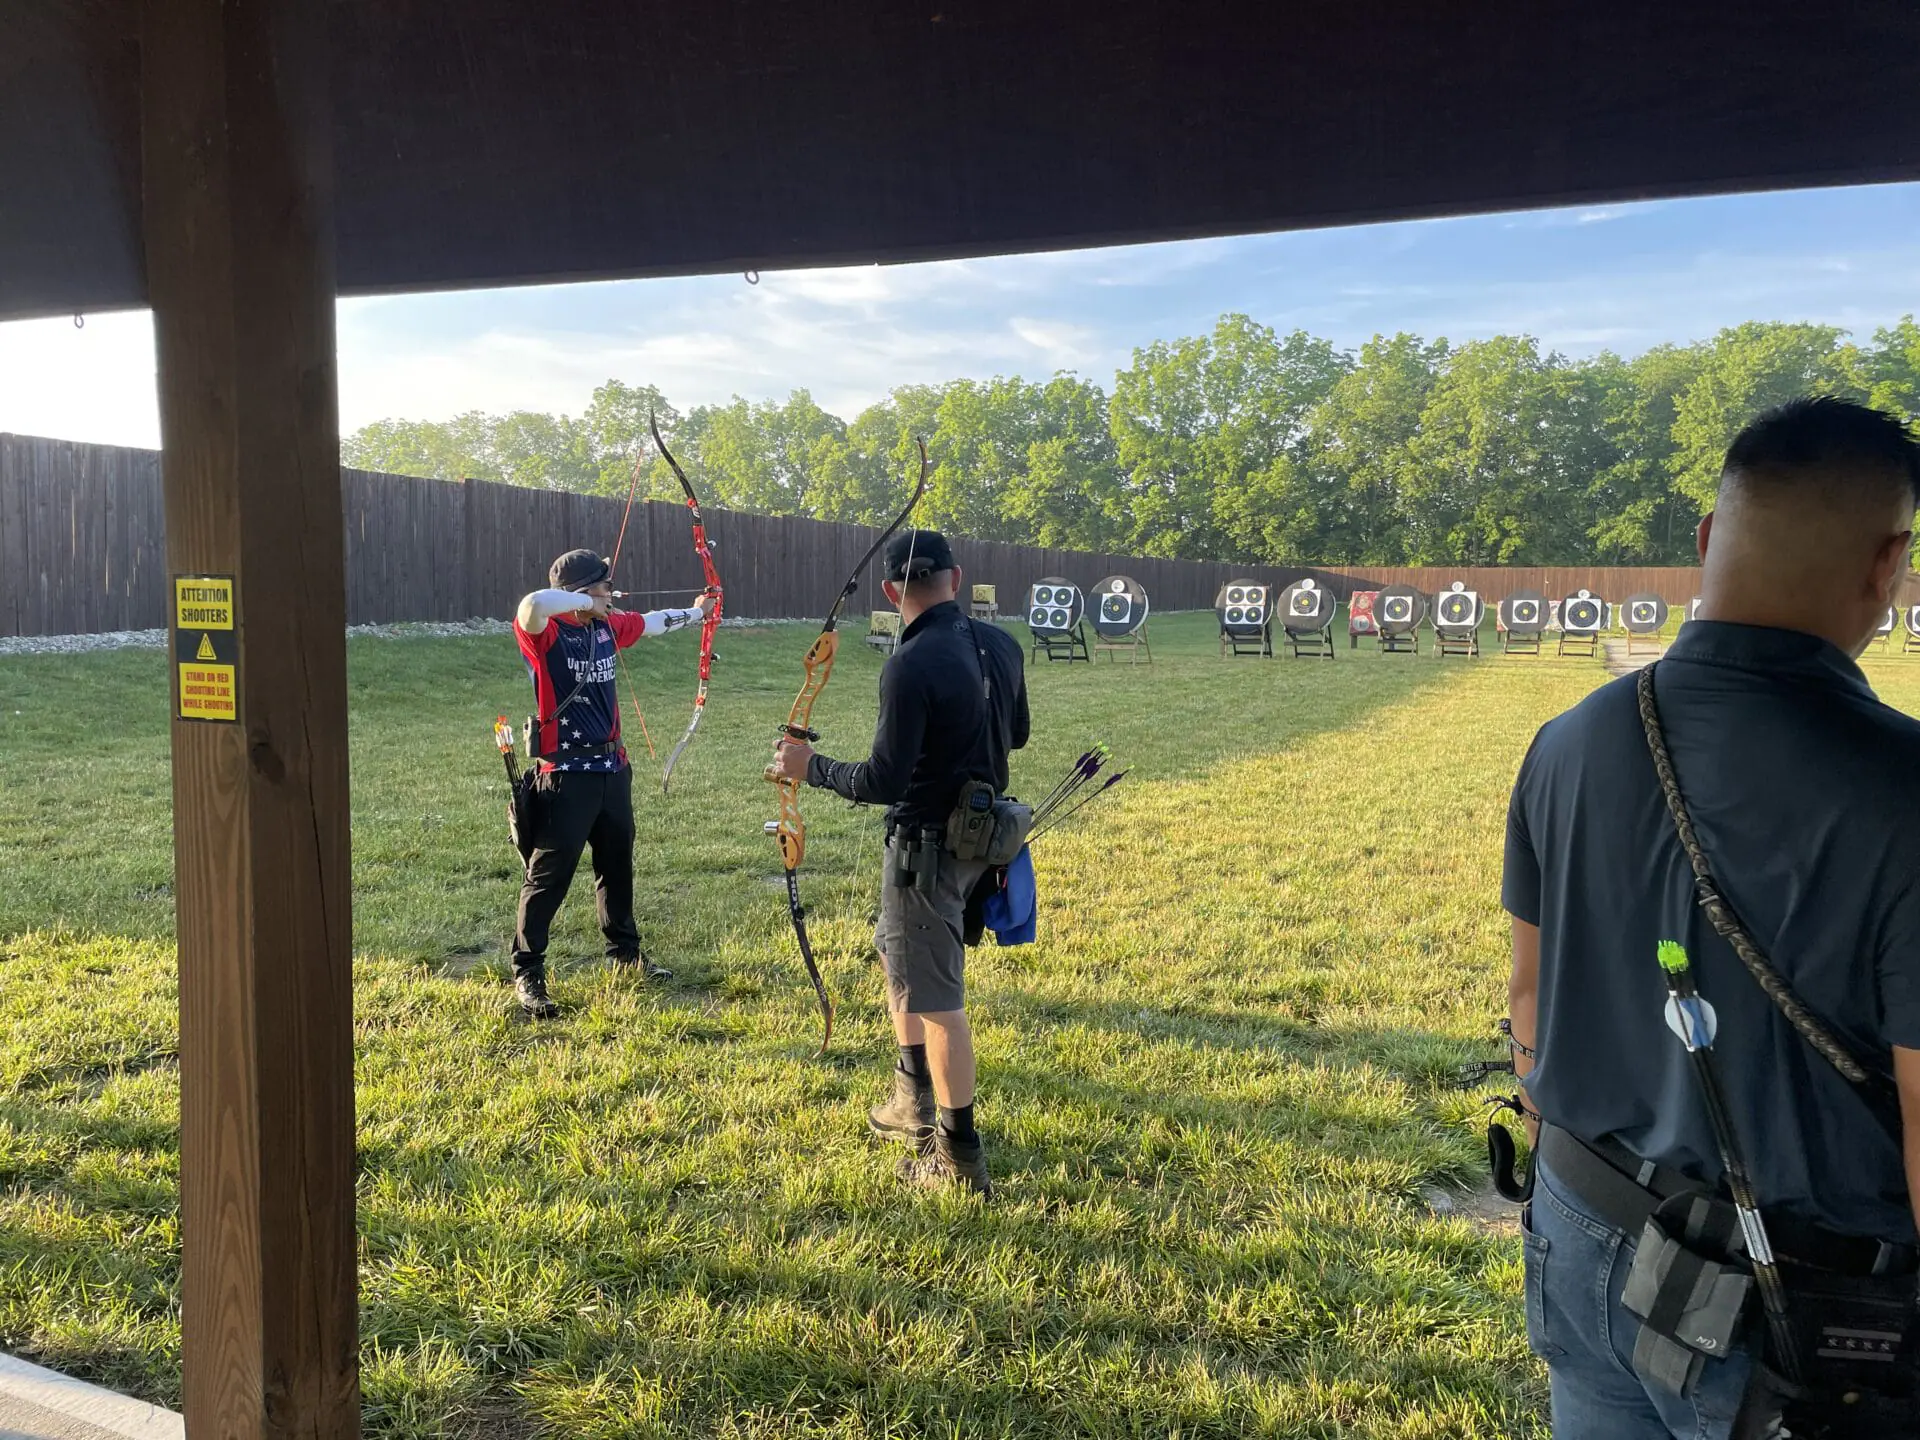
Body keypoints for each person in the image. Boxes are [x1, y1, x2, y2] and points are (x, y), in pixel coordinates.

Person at [1502, 397, 1920, 1438]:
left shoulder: (1566, 741)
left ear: (1704, 539)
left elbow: (1527, 1004)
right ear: (1889, 564)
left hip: (1580, 1215)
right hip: (1796, 1312)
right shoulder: (1907, 787)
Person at [769, 529, 1029, 1196]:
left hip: (926, 851)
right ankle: (910, 1097)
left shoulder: (909, 665)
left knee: (940, 1002)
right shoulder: (999, 644)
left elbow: (882, 780)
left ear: (890, 591)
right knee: (897, 954)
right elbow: (1017, 733)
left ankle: (958, 1159)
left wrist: (809, 766)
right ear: (957, 577)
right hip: (982, 839)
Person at [509, 547, 715, 1019]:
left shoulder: (607, 626)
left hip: (612, 771)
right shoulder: (545, 633)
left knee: (616, 867)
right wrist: (580, 603)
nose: (612, 594)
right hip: (564, 775)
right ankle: (528, 969)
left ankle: (625, 953)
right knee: (548, 877)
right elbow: (533, 605)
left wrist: (698, 612)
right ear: (580, 593)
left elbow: (653, 621)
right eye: (603, 587)